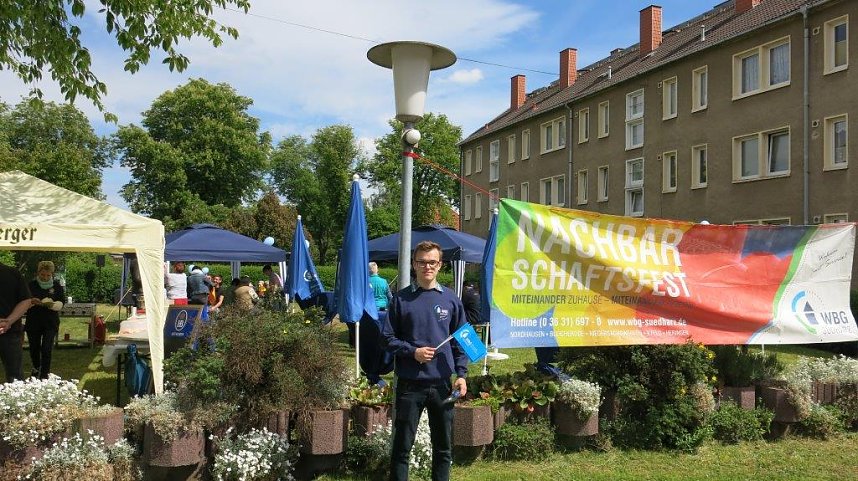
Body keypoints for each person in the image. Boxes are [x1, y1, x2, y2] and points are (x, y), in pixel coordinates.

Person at [381, 241, 468, 481]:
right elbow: (386, 338)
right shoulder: (401, 300)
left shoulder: (451, 299)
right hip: (410, 385)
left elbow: (461, 340)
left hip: (442, 385)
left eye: (432, 262)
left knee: (443, 448)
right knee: (401, 449)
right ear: (414, 264)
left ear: (440, 265)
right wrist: (413, 352)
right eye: (422, 262)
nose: (427, 267)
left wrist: (461, 374)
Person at [26, 261, 65, 379]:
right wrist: (32, 302)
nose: (45, 277)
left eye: (48, 275)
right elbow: (23, 301)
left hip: (50, 322)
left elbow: (61, 303)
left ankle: (45, 373)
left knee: (47, 348)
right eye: (43, 275)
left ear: (52, 274)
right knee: (34, 347)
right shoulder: (31, 285)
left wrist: (51, 304)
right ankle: (36, 367)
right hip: (34, 321)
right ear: (38, 273)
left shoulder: (57, 286)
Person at [0, 263, 35, 383]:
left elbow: (26, 300)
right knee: (15, 379)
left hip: (10, 332)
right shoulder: (13, 272)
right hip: (10, 330)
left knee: (15, 378)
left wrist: (9, 320)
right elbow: (26, 300)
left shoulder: (12, 273)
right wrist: (9, 321)